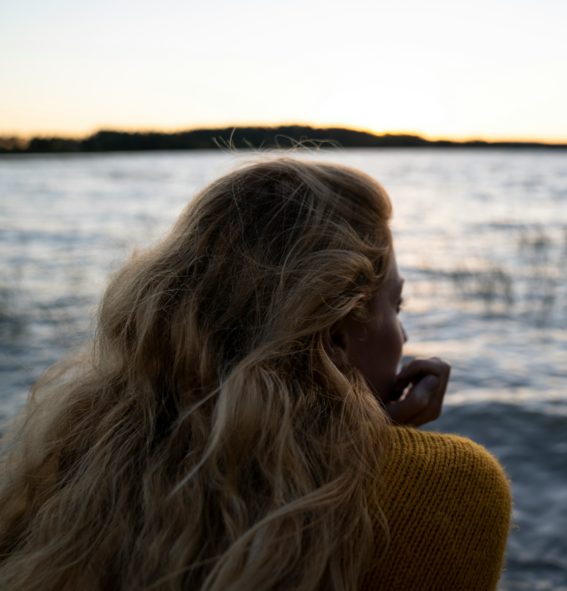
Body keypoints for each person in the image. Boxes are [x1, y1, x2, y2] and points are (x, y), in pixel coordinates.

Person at [0, 157, 511, 591]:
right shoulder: (451, 492)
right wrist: (379, 447)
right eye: (395, 306)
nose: (402, 334)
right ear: (334, 338)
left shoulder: (72, 472)